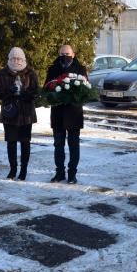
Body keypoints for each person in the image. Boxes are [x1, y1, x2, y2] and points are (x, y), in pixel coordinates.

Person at [45, 45, 87, 184]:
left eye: (67, 53)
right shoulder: (53, 69)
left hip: (73, 113)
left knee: (74, 145)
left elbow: (85, 90)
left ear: (73, 54)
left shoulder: (80, 69)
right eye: (62, 53)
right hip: (58, 113)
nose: (65, 56)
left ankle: (72, 174)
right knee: (58, 145)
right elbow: (46, 88)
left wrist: (73, 94)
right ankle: (59, 173)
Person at [0, 47, 39, 181]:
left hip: (26, 114)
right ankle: (13, 169)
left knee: (25, 143)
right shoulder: (3, 73)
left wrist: (23, 93)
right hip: (10, 113)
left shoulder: (30, 73)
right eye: (13, 58)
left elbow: (36, 92)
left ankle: (23, 170)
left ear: (23, 59)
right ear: (9, 59)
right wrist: (10, 91)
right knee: (11, 142)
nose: (16, 61)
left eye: (19, 58)